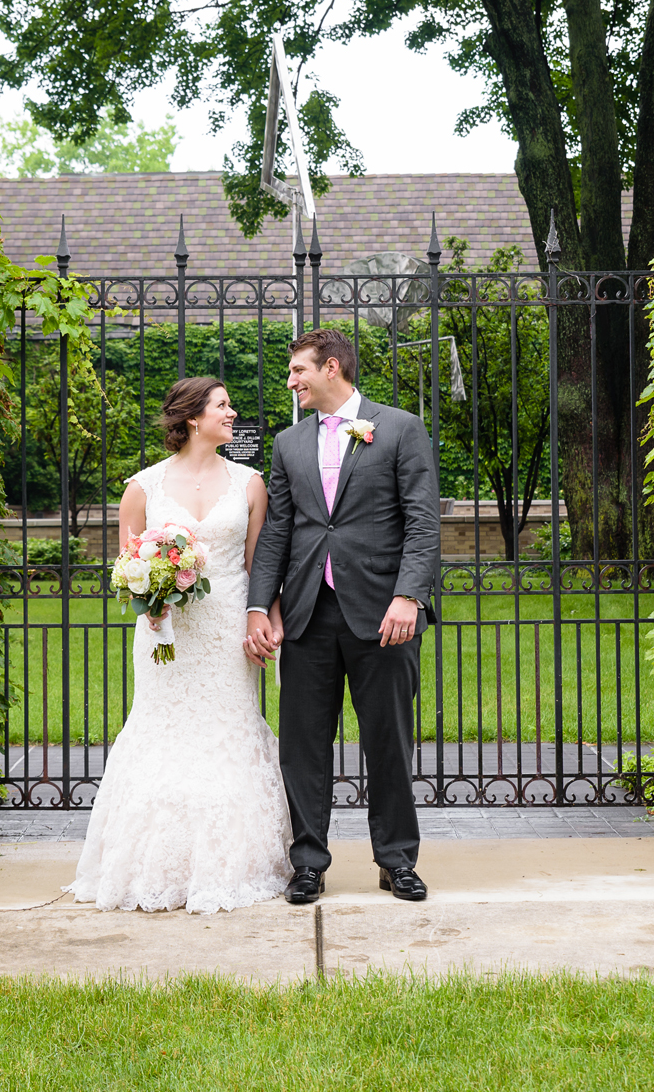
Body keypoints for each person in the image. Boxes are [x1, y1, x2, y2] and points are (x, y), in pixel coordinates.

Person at [68, 377, 292, 912]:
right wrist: (152, 598)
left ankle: (233, 863)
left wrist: (269, 617)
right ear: (194, 417)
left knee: (226, 733)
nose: (232, 412)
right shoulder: (143, 487)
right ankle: (157, 864)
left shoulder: (250, 483)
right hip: (165, 635)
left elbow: (260, 564)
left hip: (227, 633)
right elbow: (127, 569)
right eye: (222, 405)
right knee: (161, 732)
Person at [244, 328, 442, 904]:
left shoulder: (400, 428)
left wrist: (409, 595)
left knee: (388, 739)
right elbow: (279, 529)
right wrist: (261, 603)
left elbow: (423, 522)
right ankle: (308, 862)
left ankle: (397, 860)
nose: (291, 382)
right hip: (307, 613)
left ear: (332, 368)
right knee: (301, 744)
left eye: (299, 371)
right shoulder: (288, 443)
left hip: (385, 614)